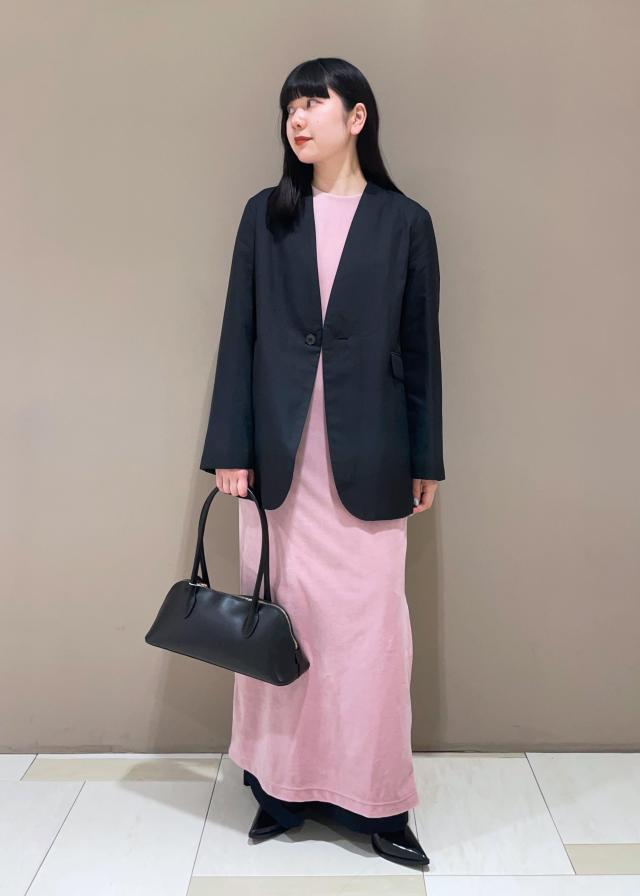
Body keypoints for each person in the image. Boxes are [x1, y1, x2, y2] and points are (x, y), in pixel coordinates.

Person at [200, 57, 444, 869]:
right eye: (289, 108)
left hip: (370, 455)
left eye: (313, 103)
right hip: (278, 464)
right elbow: (238, 335)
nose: (297, 119)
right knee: (283, 625)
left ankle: (380, 803)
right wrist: (230, 450)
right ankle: (280, 791)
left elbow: (421, 349)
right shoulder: (265, 216)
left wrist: (426, 456)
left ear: (357, 116)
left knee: (373, 640)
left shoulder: (405, 222)